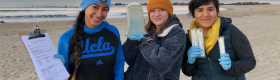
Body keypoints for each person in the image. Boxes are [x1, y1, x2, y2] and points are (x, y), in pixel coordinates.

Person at [181, 0, 256, 80]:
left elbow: (250, 61)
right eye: (200, 10)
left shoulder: (230, 31)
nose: (206, 14)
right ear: (193, 13)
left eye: (210, 9)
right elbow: (188, 72)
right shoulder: (189, 38)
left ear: (216, 11)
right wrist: (190, 61)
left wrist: (231, 66)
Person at [53, 0, 125, 80]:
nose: (99, 14)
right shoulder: (66, 38)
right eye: (95, 7)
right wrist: (60, 67)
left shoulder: (113, 32)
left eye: (104, 9)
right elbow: (64, 74)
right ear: (85, 7)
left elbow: (119, 63)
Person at [123, 0, 186, 80]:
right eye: (152, 10)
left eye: (162, 9)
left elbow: (162, 64)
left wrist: (147, 41)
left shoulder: (176, 33)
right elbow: (130, 61)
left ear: (169, 12)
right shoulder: (148, 31)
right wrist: (132, 42)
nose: (157, 14)